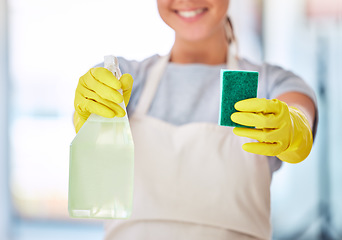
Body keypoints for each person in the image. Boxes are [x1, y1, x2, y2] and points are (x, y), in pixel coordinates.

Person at [73, 0, 317, 239]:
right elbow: (94, 153)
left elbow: (300, 113)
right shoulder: (122, 78)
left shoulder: (269, 83)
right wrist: (88, 120)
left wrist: (296, 127)